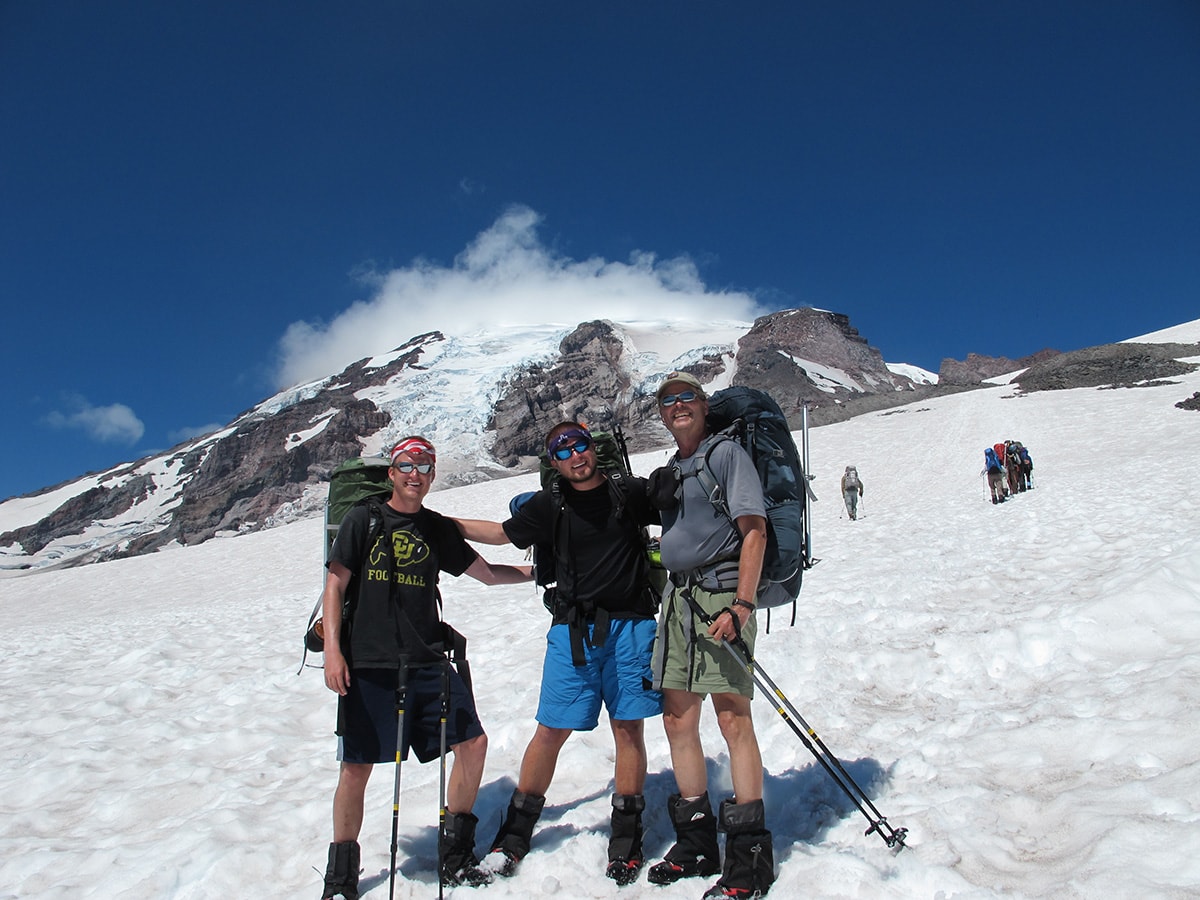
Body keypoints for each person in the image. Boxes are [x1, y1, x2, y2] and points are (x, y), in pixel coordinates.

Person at [319, 436, 533, 900]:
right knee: (356, 768)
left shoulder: (436, 529)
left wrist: (538, 573)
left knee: (472, 744)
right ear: (392, 473)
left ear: (432, 476)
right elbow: (335, 586)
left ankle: (455, 856)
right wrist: (334, 652)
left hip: (427, 661)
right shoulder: (365, 519)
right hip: (370, 663)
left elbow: (488, 574)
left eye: (425, 466)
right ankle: (340, 880)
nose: (415, 473)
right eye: (406, 465)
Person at [453, 421, 663, 885]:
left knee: (629, 730)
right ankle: (514, 836)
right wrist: (440, 522)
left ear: (593, 450)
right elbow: (501, 534)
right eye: (563, 450)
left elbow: (681, 513)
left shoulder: (629, 492)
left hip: (633, 628)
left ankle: (626, 841)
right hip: (573, 634)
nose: (575, 455)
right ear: (554, 462)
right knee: (550, 731)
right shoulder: (551, 505)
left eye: (580, 445)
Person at [646, 372, 776, 899]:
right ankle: (696, 841)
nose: (678, 406)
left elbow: (755, 531)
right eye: (668, 401)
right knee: (678, 716)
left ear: (703, 406)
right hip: (679, 601)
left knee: (731, 716)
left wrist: (742, 605)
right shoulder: (676, 467)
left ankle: (749, 856)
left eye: (687, 398)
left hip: (721, 600)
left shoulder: (726, 456)